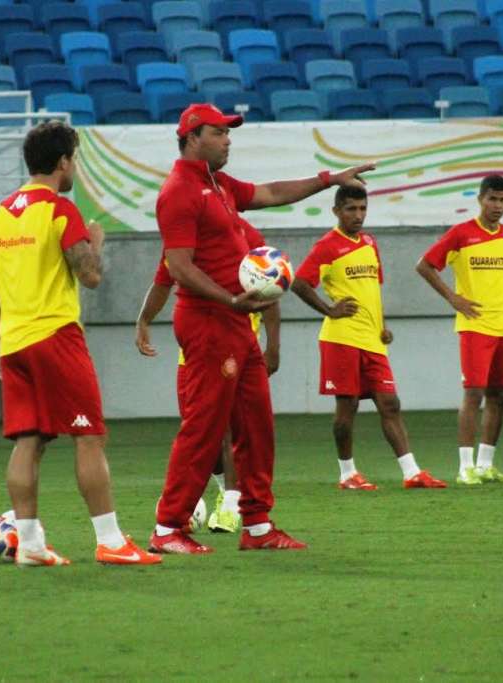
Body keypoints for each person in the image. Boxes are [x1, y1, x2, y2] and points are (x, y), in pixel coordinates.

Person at [149, 103, 374, 554]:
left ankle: (257, 525)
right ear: (193, 137)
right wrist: (230, 298)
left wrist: (329, 179)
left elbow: (272, 191)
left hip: (235, 322)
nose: (229, 139)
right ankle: (167, 528)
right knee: (205, 426)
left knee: (257, 424)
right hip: (209, 321)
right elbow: (178, 267)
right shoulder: (179, 191)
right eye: (220, 132)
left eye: (229, 133)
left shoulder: (218, 184)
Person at [0, 121, 160, 566]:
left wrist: (2, 344)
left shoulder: (1, 213)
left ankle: (30, 545)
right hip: (55, 336)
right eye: (74, 159)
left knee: (29, 440)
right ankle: (111, 541)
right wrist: (94, 242)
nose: (73, 167)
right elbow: (91, 276)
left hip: (15, 342)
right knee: (90, 436)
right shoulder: (59, 210)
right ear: (62, 163)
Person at [292, 185, 447, 491]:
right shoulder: (327, 246)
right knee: (347, 407)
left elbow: (373, 289)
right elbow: (299, 283)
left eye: (362, 209)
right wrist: (329, 310)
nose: (358, 215)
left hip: (372, 339)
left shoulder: (369, 243)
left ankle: (412, 472)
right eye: (351, 209)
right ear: (337, 211)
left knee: (390, 402)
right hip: (342, 339)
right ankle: (347, 473)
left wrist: (382, 325)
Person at [135, 234, 281, 534]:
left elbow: (269, 292)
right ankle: (220, 494)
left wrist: (272, 346)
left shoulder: (248, 238)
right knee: (204, 436)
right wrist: (144, 320)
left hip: (235, 349)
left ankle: (230, 506)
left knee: (229, 433)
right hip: (192, 355)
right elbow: (163, 281)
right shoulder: (181, 241)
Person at [415, 174, 503, 486]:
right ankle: (465, 467)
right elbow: (424, 265)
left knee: (499, 395)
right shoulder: (461, 233)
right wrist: (453, 298)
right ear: (480, 199)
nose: (498, 206)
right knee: (473, 393)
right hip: (474, 325)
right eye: (492, 199)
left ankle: (485, 465)